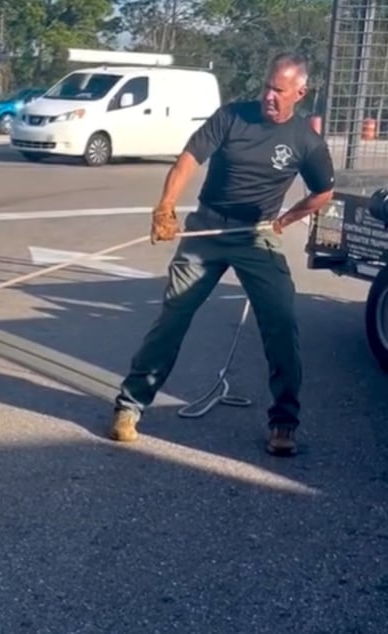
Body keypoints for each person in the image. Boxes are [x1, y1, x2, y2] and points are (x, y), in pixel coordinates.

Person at [107, 53, 335, 457]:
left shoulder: (307, 142)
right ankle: (130, 405)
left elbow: (323, 194)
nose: (269, 96)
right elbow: (188, 160)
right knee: (173, 316)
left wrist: (286, 219)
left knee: (281, 321)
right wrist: (165, 207)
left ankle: (284, 421)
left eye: (279, 91)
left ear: (300, 93)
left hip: (256, 236)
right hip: (208, 228)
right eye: (266, 86)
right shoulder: (231, 117)